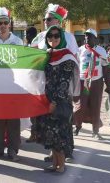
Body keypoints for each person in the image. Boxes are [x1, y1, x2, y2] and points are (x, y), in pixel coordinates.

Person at [31, 3, 76, 163]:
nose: (46, 21)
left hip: (63, 88)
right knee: (49, 124)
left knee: (63, 121)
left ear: (58, 21)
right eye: (44, 19)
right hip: (45, 86)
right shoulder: (41, 37)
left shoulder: (68, 37)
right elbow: (33, 54)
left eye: (49, 19)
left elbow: (71, 60)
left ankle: (66, 152)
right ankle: (54, 153)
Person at [36, 25, 80, 174]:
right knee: (50, 133)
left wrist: (54, 102)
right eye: (50, 36)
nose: (53, 39)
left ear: (61, 38)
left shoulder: (67, 57)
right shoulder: (48, 55)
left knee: (59, 134)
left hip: (59, 102)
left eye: (56, 36)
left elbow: (64, 82)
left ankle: (61, 165)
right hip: (46, 100)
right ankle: (55, 164)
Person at [0, 7, 23, 162]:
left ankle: (13, 150)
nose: (2, 25)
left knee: (13, 120)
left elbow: (22, 63)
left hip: (13, 86)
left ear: (9, 24)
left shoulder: (18, 41)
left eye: (5, 22)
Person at [74, 28, 109, 140]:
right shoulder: (79, 50)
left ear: (95, 39)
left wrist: (109, 84)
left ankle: (95, 131)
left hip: (96, 82)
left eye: (89, 36)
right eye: (85, 36)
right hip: (82, 81)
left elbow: (106, 68)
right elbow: (75, 67)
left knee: (96, 106)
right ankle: (78, 126)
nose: (86, 38)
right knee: (80, 106)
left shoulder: (101, 51)